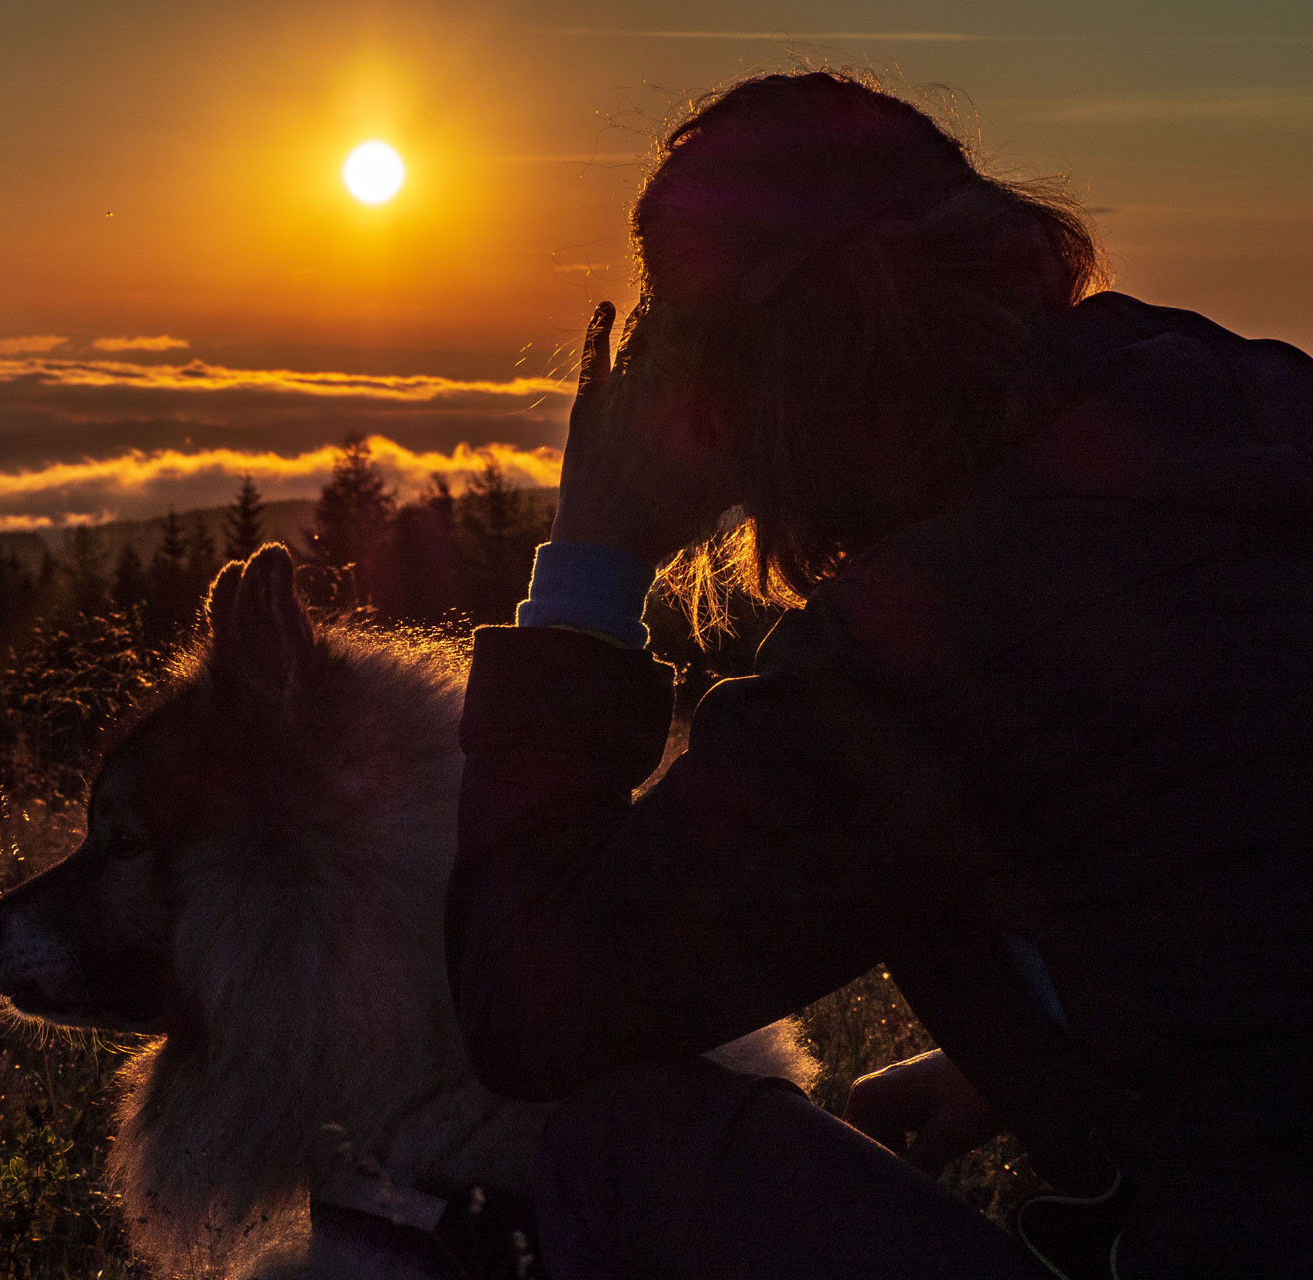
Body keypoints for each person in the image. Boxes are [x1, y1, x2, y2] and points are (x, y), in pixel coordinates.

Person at [449, 71, 1313, 1279]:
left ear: (743, 394)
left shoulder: (928, 640)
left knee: (620, 1150)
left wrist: (592, 564)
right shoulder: (1259, 412)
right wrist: (1028, 1060)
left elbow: (535, 999)